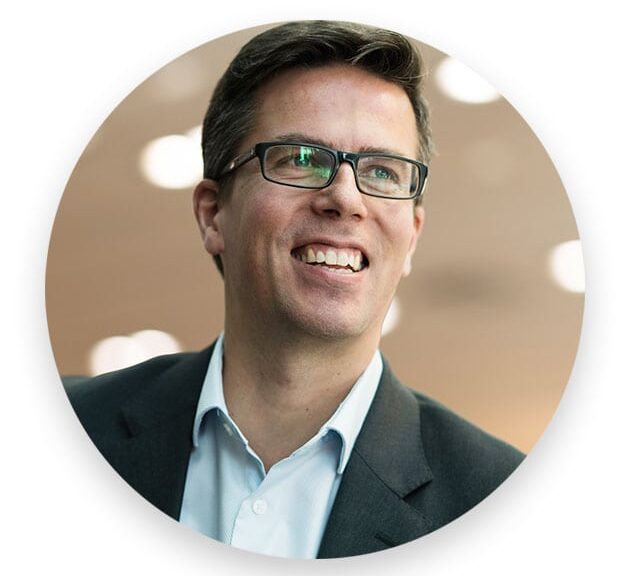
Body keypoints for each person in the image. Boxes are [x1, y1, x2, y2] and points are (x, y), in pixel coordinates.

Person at [64, 20, 524, 559]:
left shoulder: (501, 502)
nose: (346, 199)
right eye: (301, 159)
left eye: (382, 172)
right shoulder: (65, 430)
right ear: (213, 216)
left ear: (412, 237)